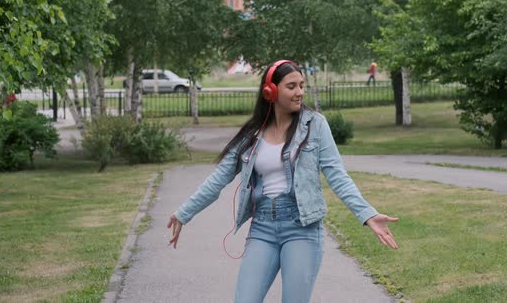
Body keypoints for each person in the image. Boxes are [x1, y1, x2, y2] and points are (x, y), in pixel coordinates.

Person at [167, 60, 398, 303]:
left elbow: (338, 176)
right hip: (263, 227)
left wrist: (367, 214)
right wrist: (184, 213)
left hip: (302, 227)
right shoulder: (252, 134)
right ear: (271, 91)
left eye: (301, 85)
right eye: (291, 86)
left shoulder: (315, 125)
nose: (299, 92)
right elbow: (218, 178)